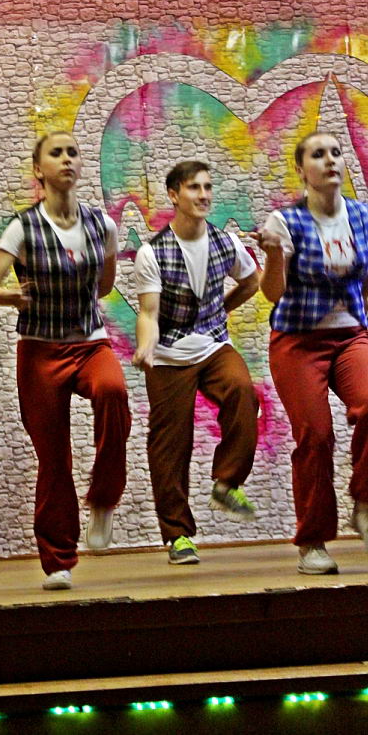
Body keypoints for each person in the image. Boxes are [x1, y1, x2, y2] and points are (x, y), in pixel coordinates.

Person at [0, 131, 131, 590]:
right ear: (38, 170)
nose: (66, 159)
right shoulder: (22, 228)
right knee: (54, 458)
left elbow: (105, 286)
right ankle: (58, 561)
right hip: (40, 351)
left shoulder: (101, 225)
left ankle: (103, 498)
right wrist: (10, 297)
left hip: (88, 342)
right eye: (56, 153)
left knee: (113, 391)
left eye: (72, 153)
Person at [133, 161, 259, 565]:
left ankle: (227, 482)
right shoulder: (153, 252)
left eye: (207, 187)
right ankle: (178, 536)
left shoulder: (226, 243)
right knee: (171, 444)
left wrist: (221, 311)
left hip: (213, 345)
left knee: (242, 391)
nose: (203, 195)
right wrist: (146, 347)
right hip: (168, 354)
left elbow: (252, 281)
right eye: (193, 188)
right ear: (174, 195)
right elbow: (148, 313)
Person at [253, 131, 368, 575]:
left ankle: (364, 500)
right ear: (302, 170)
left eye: (336, 153)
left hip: (351, 335)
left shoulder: (361, 216)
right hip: (298, 341)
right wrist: (273, 256)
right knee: (316, 436)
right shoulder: (286, 222)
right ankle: (313, 542)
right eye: (318, 155)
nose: (330, 160)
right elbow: (272, 293)